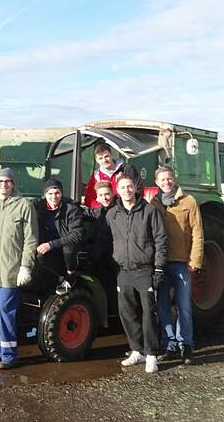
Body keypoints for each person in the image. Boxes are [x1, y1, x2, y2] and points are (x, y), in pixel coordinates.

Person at [0, 167, 38, 369]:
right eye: (0, 181)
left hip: (11, 271)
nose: (3, 184)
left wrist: (26, 266)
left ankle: (10, 356)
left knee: (5, 311)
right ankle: (0, 352)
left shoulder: (24, 206)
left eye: (7, 181)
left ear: (13, 184)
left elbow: (31, 240)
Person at [104, 173, 167, 373]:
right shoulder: (112, 214)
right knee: (127, 312)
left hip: (145, 269)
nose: (127, 190)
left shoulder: (149, 211)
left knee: (149, 312)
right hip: (124, 271)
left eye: (130, 187)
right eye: (123, 187)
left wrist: (159, 268)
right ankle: (136, 350)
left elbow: (160, 239)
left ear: (135, 188)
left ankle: (151, 354)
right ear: (117, 190)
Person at [151, 165, 203, 365]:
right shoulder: (154, 204)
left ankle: (186, 345)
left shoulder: (189, 202)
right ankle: (169, 345)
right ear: (157, 183)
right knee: (163, 306)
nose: (166, 182)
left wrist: (195, 260)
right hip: (161, 264)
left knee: (184, 306)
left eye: (169, 178)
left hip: (182, 263)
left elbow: (198, 232)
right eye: (162, 180)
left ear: (175, 179)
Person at [35, 178, 85, 295]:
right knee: (39, 257)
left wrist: (51, 245)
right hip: (47, 245)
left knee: (68, 249)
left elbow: (77, 234)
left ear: (61, 193)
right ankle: (51, 283)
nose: (54, 197)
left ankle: (70, 276)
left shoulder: (71, 208)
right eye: (50, 193)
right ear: (45, 195)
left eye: (57, 193)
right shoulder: (39, 206)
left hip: (67, 248)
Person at [84, 143, 143, 208]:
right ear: (97, 160)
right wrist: (101, 207)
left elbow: (139, 190)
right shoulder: (96, 176)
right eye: (100, 158)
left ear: (111, 155)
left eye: (106, 156)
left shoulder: (127, 169)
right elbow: (89, 199)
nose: (104, 160)